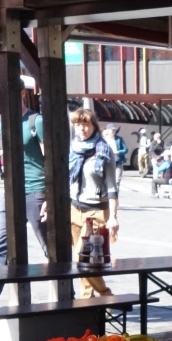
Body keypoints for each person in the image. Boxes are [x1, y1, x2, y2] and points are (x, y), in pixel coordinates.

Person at [0, 104, 49, 309]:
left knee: (50, 247)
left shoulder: (37, 121)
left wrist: (50, 196)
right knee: (0, 245)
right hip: (11, 192)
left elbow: (51, 159)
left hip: (36, 190)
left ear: (22, 94)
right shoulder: (4, 125)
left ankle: (67, 295)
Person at [67, 108, 117, 297]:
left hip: (95, 212)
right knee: (83, 262)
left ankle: (106, 295)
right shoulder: (72, 147)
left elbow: (112, 187)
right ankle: (87, 301)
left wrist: (113, 216)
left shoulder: (104, 150)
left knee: (84, 258)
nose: (82, 129)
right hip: (74, 209)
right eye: (78, 125)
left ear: (94, 126)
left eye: (86, 124)